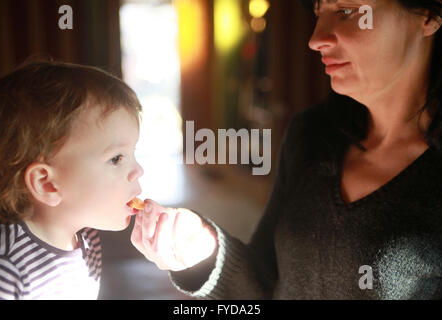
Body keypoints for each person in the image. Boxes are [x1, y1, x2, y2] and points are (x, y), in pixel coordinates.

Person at [130, 0, 442, 299]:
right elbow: (265, 282)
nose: (316, 39)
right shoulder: (311, 135)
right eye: (319, 11)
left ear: (428, 14)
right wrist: (203, 251)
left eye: (346, 11)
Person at [0, 61, 144, 299]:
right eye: (116, 158)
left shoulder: (86, 237)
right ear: (47, 184)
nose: (139, 171)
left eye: (133, 153)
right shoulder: (4, 269)